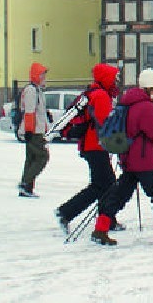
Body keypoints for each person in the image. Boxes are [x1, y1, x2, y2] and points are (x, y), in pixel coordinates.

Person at [91, 68, 153, 246]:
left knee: (119, 196)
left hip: (129, 157)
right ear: (151, 87)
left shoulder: (127, 102)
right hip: (143, 159)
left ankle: (101, 227)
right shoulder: (145, 106)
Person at [55, 63, 125, 234]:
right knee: (103, 185)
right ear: (106, 78)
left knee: (105, 184)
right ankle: (66, 212)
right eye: (114, 77)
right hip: (95, 146)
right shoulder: (100, 96)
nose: (116, 81)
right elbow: (106, 124)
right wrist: (121, 145)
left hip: (91, 145)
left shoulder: (93, 93)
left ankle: (107, 220)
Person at [18, 63, 50, 197]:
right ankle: (25, 183)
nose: (44, 77)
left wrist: (47, 115)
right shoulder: (32, 90)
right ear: (36, 75)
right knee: (43, 156)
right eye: (42, 74)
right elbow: (29, 112)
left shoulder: (37, 90)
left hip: (36, 130)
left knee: (31, 158)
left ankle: (26, 188)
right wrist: (30, 130)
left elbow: (38, 111)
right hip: (34, 131)